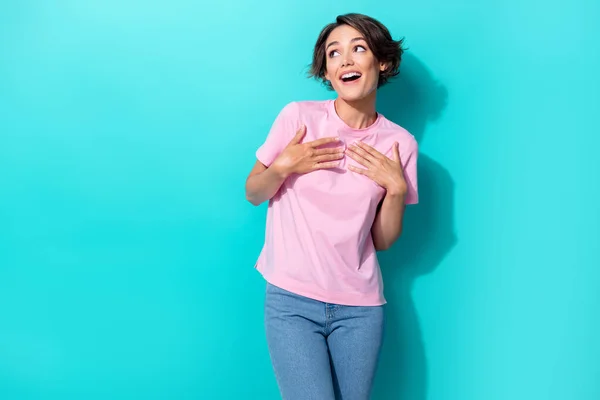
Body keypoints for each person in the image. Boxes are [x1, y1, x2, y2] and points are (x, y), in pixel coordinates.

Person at [245, 13, 419, 400]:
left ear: (383, 62)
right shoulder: (299, 118)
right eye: (334, 53)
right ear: (327, 70)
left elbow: (384, 240)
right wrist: (285, 166)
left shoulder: (400, 143)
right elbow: (254, 192)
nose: (346, 60)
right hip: (292, 301)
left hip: (361, 308)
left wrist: (394, 189)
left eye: (359, 49)